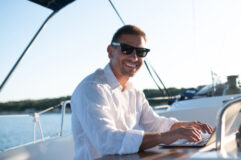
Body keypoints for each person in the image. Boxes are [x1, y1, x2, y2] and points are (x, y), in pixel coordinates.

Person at [70, 24, 213, 160]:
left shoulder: (135, 91)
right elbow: (107, 141)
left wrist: (182, 126)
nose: (134, 57)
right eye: (126, 49)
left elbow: (153, 123)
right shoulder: (91, 89)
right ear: (110, 51)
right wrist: (165, 136)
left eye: (141, 52)